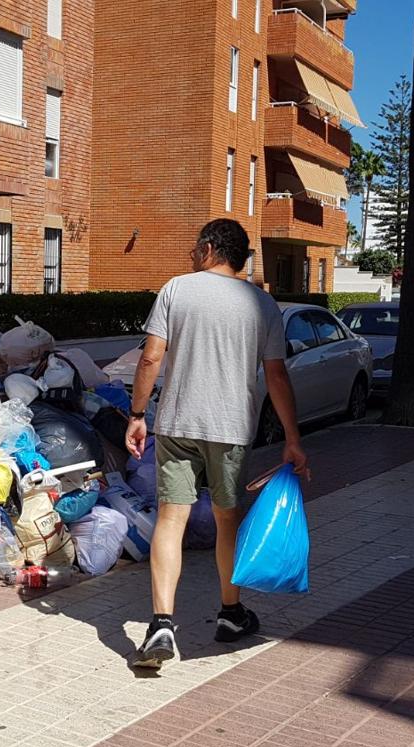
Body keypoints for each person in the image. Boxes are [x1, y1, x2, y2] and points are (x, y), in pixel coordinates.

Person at [125, 218, 308, 669]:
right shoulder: (263, 305)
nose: (190, 254)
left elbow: (151, 356)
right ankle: (230, 613)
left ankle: (162, 624)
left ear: (208, 249)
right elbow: (277, 375)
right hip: (231, 430)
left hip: (177, 423)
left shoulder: (177, 290)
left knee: (171, 520)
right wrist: (292, 438)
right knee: (228, 523)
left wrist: (136, 414)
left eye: (194, 247)